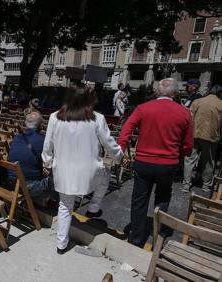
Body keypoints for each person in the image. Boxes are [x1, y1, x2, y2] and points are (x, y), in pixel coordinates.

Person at [42, 86, 123, 254]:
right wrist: (120, 157)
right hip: (89, 172)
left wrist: (47, 163)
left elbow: (47, 145)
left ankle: (61, 244)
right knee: (106, 175)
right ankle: (93, 207)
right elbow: (109, 143)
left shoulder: (54, 117)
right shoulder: (97, 118)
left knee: (65, 206)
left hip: (64, 171)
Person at [118, 78, 194, 248]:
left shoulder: (144, 108)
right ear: (175, 94)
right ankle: (157, 235)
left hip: (144, 161)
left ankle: (136, 239)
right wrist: (178, 156)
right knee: (163, 197)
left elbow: (126, 130)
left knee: (139, 200)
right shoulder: (184, 113)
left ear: (157, 92)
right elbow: (188, 145)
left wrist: (121, 150)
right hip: (168, 163)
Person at [8, 111, 53, 206]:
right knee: (55, 177)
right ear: (41, 126)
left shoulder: (16, 138)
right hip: (28, 186)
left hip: (12, 183)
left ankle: (38, 199)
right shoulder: (43, 140)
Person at [182, 85, 222, 192]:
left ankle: (186, 184)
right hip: (211, 137)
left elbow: (189, 119)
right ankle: (206, 185)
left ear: (209, 92)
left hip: (194, 134)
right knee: (208, 161)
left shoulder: (198, 102)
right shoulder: (220, 104)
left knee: (189, 160)